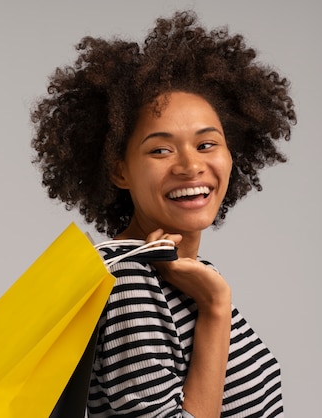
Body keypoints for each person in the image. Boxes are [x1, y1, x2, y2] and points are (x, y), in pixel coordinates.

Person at [30, 10, 296, 418]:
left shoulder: (188, 274)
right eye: (161, 149)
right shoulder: (130, 279)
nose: (191, 166)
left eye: (207, 144)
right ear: (119, 169)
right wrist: (216, 309)